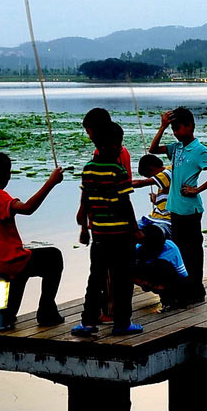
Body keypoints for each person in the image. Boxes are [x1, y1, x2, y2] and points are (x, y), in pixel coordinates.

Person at [0, 152, 64, 329]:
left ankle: (8, 314)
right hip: (9, 263)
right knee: (53, 257)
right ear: (8, 175)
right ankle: (46, 311)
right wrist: (51, 183)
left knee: (21, 270)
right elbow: (27, 208)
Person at [72, 122, 143, 336]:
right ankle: (122, 323)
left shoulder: (88, 169)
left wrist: (84, 228)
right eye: (119, 144)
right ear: (110, 145)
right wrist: (136, 230)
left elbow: (86, 200)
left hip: (99, 236)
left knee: (96, 279)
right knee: (123, 281)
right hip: (121, 236)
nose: (121, 148)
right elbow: (125, 203)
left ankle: (88, 323)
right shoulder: (117, 171)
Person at [149, 107, 207, 304]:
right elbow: (153, 150)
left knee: (193, 251)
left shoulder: (199, 150)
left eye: (178, 128)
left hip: (190, 210)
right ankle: (183, 289)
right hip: (175, 208)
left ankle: (196, 290)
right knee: (178, 250)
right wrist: (162, 127)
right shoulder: (177, 148)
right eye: (173, 129)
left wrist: (196, 190)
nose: (176, 132)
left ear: (190, 126)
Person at [133, 225, 187, 310]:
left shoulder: (171, 248)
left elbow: (182, 274)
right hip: (147, 277)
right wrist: (144, 282)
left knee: (163, 265)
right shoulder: (138, 249)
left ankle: (168, 300)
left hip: (163, 278)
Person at [132, 153, 172, 239]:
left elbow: (141, 183)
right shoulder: (162, 181)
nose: (152, 178)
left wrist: (121, 183)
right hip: (153, 217)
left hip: (166, 220)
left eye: (150, 176)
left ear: (151, 168)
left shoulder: (169, 172)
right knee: (129, 230)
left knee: (153, 234)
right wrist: (156, 199)